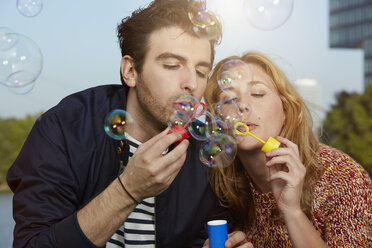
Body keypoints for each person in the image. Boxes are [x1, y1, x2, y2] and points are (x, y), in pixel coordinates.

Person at [7, 0, 250, 247]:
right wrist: (129, 189)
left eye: (201, 71)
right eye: (172, 65)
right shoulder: (64, 128)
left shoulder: (208, 155)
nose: (191, 83)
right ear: (131, 71)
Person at [204, 51, 372, 248]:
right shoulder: (219, 189)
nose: (242, 106)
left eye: (257, 93)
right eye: (229, 99)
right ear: (217, 121)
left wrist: (292, 212)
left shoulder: (342, 176)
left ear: (286, 111)